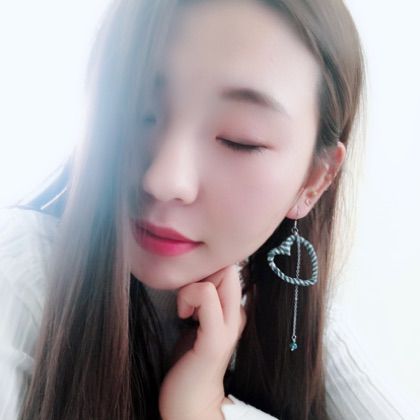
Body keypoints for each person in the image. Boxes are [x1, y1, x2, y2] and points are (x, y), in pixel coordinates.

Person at [0, 0, 419, 419]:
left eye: (240, 139)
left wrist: (204, 409)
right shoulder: (21, 270)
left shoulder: (301, 318)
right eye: (139, 112)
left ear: (314, 180)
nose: (164, 179)